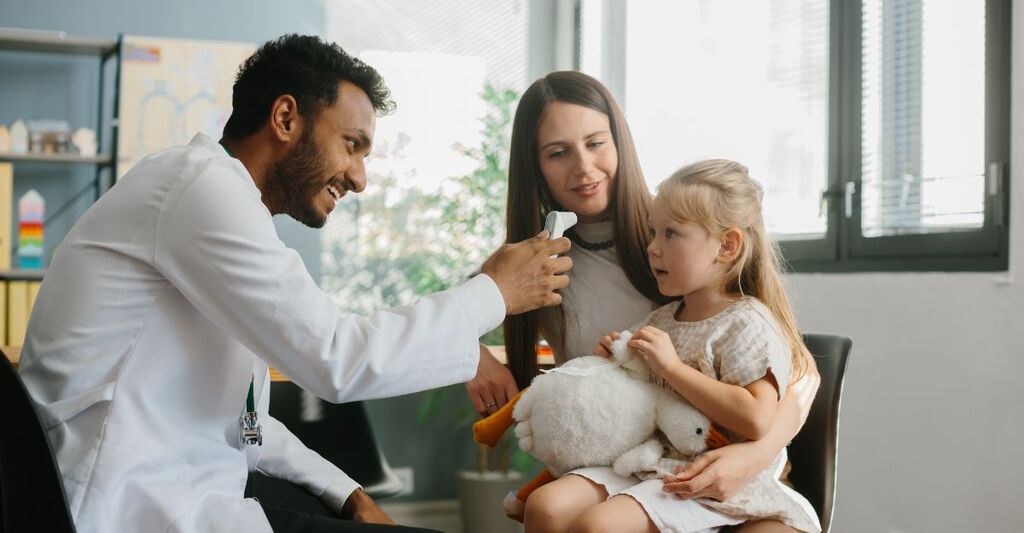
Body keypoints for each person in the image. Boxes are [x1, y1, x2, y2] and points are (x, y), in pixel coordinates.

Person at [17, 35, 572, 533]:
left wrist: (349, 493)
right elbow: (337, 356)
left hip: (191, 484)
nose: (359, 177)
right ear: (285, 118)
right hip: (114, 500)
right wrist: (495, 292)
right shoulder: (200, 190)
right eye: (352, 144)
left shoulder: (224, 211)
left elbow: (246, 423)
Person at [464, 72, 820, 533]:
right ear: (535, 167)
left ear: (620, 143)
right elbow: (448, 316)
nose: (584, 168)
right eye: (558, 152)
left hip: (717, 455)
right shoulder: (535, 260)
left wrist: (753, 455)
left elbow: (802, 374)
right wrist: (473, 356)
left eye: (596, 143)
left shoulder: (680, 233)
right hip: (627, 458)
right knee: (548, 511)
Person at [529, 159, 821, 532]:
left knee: (599, 526)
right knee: (547, 505)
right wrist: (613, 357)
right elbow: (631, 373)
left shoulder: (748, 323)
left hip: (709, 479)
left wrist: (672, 369)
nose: (652, 247)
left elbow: (757, 419)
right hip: (654, 462)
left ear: (727, 245)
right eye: (653, 232)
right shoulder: (664, 318)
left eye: (671, 234)